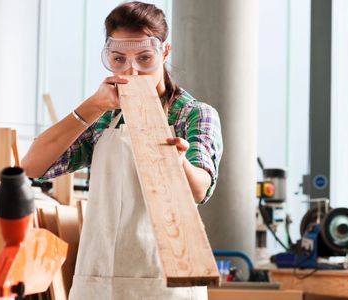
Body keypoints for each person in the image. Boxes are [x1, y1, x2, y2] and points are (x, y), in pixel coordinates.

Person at [21, 2, 223, 299]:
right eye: (118, 59)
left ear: (164, 53)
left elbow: (200, 189)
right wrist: (93, 106)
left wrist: (179, 163)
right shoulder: (102, 117)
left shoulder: (192, 114)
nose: (132, 70)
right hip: (100, 279)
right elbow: (31, 167)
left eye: (145, 58)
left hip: (167, 283)